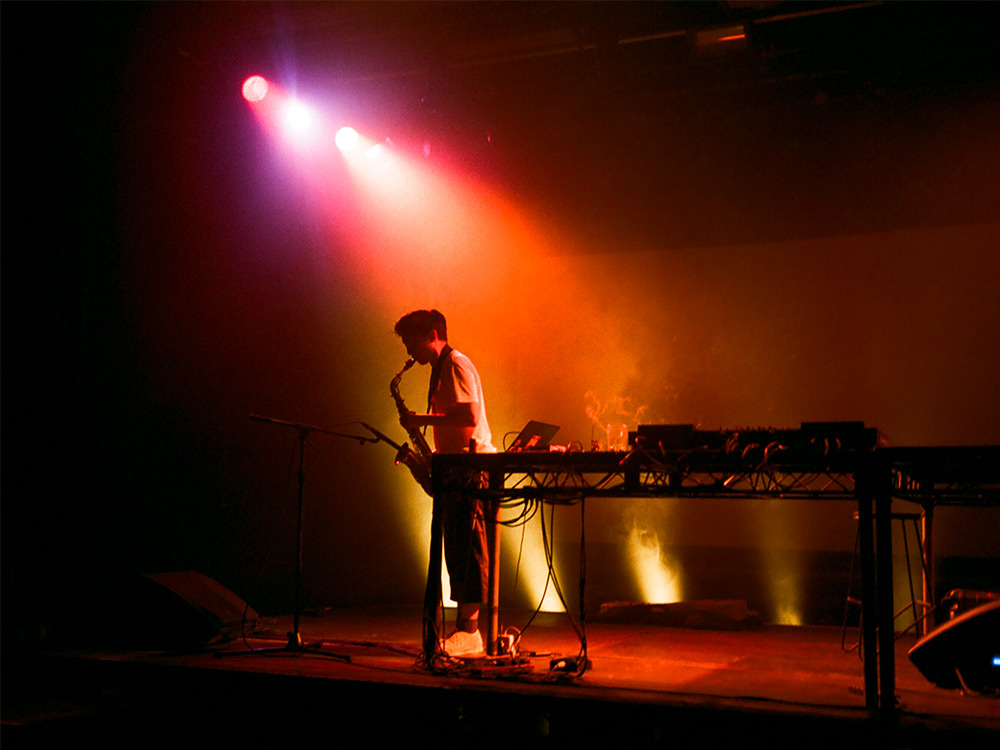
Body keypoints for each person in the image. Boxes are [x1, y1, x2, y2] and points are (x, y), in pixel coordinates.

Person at [394, 309, 496, 658]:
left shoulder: (456, 364)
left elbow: (468, 416)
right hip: (454, 466)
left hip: (469, 467)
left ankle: (471, 633)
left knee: (468, 549)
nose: (409, 350)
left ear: (433, 333)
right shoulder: (440, 369)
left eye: (411, 341)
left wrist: (419, 420)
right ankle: (464, 630)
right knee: (457, 549)